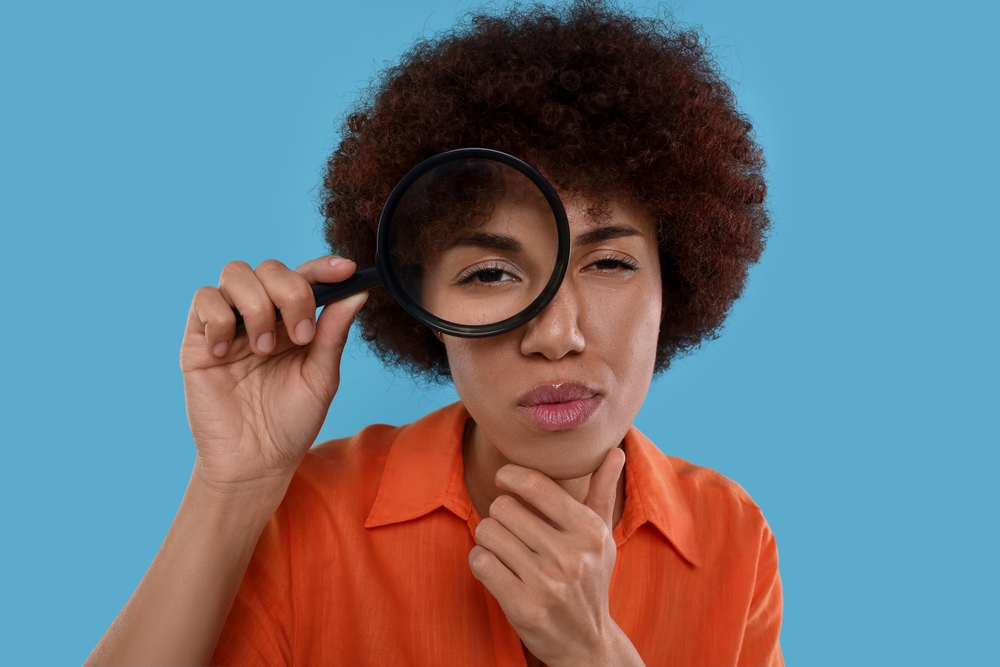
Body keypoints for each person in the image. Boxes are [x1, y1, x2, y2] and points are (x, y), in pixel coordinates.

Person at [85, 2, 782, 665]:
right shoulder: (310, 519)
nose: (557, 334)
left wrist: (594, 650)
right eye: (489, 274)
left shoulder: (732, 537)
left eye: (609, 262)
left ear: (678, 278)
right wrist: (230, 486)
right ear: (422, 301)